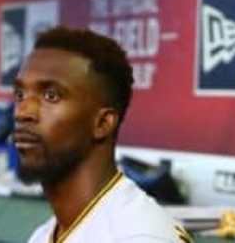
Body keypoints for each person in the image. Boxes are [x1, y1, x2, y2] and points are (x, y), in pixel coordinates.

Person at [12, 26, 191, 243]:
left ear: (103, 123)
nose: (23, 112)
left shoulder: (140, 237)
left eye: (51, 95)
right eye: (20, 95)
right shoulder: (43, 236)